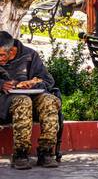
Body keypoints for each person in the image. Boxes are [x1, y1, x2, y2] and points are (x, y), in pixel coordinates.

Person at [0, 30, 62, 169]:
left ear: (12, 51)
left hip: (33, 96)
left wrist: (34, 82)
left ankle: (46, 152)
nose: (0, 59)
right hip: (5, 101)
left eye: (2, 55)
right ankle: (20, 154)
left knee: (49, 100)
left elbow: (47, 80)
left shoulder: (30, 55)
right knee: (23, 101)